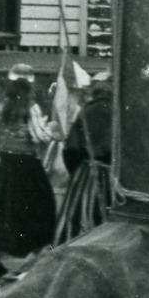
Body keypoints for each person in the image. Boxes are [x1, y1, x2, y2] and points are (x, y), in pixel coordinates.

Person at [0, 66, 58, 278]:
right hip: (26, 162)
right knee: (38, 205)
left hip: (3, 161)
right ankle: (34, 250)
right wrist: (52, 129)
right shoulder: (31, 108)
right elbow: (40, 136)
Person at [56, 78, 115, 243]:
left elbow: (71, 148)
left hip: (87, 170)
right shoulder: (118, 113)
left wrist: (76, 171)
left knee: (78, 216)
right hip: (112, 172)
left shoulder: (85, 112)